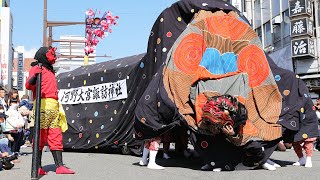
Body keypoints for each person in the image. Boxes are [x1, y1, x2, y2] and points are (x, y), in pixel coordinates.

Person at [25, 46, 74, 175]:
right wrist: (35, 76)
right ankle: (38, 166)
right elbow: (28, 85)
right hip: (42, 106)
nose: (53, 57)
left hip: (53, 107)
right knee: (40, 137)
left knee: (56, 136)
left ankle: (59, 166)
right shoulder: (37, 68)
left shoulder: (50, 70)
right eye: (51, 54)